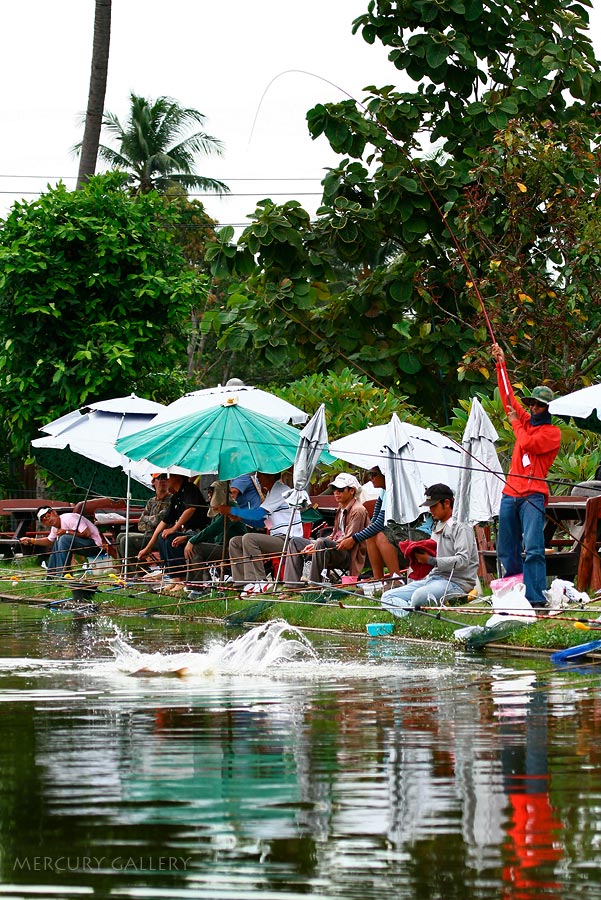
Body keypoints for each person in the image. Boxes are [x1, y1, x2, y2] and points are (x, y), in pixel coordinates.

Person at [492, 343, 562, 607]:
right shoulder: (525, 422)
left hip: (533, 495)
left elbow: (530, 443)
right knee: (506, 548)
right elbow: (508, 397)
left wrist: (514, 422)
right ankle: (514, 594)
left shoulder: (551, 433)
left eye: (539, 405)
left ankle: (535, 598)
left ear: (547, 409)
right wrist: (501, 365)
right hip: (510, 493)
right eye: (532, 404)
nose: (533, 408)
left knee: (533, 548)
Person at [380, 483, 478, 615]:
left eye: (434, 505)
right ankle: (411, 616)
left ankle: (413, 611)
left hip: (456, 583)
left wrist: (431, 560)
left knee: (418, 596)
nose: (431, 510)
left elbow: (463, 560)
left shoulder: (461, 526)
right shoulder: (437, 525)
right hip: (432, 580)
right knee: (387, 596)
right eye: (429, 506)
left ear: (447, 503)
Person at [214, 471, 303, 594]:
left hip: (289, 540)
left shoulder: (280, 491)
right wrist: (241, 518)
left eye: (260, 475)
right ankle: (242, 584)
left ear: (270, 476)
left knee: (249, 538)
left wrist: (231, 510)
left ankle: (259, 582)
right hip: (278, 538)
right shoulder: (272, 493)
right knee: (235, 542)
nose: (257, 479)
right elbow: (266, 523)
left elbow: (257, 514)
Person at [284, 473, 370, 586]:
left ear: (352, 491)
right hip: (335, 548)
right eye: (334, 489)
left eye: (340, 489)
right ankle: (291, 586)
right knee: (295, 542)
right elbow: (334, 534)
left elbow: (349, 542)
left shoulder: (358, 510)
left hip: (349, 554)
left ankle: (315, 586)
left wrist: (318, 545)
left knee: (321, 542)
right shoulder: (341, 508)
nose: (336, 492)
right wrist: (314, 544)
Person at [170, 482, 248, 585]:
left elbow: (213, 530)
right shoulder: (219, 512)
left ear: (220, 493)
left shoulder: (231, 509)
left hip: (233, 550)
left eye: (212, 492)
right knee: (193, 546)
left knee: (195, 548)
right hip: (221, 547)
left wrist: (192, 540)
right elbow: (210, 536)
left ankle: (198, 585)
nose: (209, 495)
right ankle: (200, 583)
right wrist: (187, 538)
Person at [335, 466, 402, 580]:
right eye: (334, 490)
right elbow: (375, 520)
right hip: (350, 542)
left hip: (405, 532)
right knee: (372, 536)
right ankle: (378, 579)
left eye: (374, 475)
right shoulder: (383, 492)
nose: (371, 478)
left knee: (381, 536)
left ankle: (396, 578)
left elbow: (380, 523)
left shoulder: (358, 509)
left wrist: (354, 539)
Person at [138, 473, 207, 583]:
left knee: (172, 539)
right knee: (162, 536)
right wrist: (148, 547)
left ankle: (182, 578)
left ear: (178, 477)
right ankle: (174, 578)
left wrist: (174, 528)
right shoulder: (176, 497)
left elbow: (191, 509)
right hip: (188, 532)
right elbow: (164, 521)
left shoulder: (190, 488)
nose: (167, 480)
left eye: (169, 477)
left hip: (198, 531)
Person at [21, 506, 104, 578]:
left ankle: (62, 574)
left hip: (96, 545)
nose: (48, 519)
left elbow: (87, 533)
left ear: (54, 512)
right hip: (85, 547)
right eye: (44, 519)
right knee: (57, 541)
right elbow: (49, 541)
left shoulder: (69, 518)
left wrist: (67, 532)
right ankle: (51, 575)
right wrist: (31, 540)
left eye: (48, 515)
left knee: (64, 539)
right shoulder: (55, 527)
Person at [115, 473, 171, 566]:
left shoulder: (171, 500)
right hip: (147, 534)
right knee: (120, 536)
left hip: (161, 537)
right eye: (160, 478)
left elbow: (159, 520)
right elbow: (140, 525)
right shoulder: (151, 501)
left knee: (127, 540)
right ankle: (124, 570)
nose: (163, 481)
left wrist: (148, 519)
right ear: (153, 482)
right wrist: (152, 520)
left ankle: (141, 571)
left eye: (165, 478)